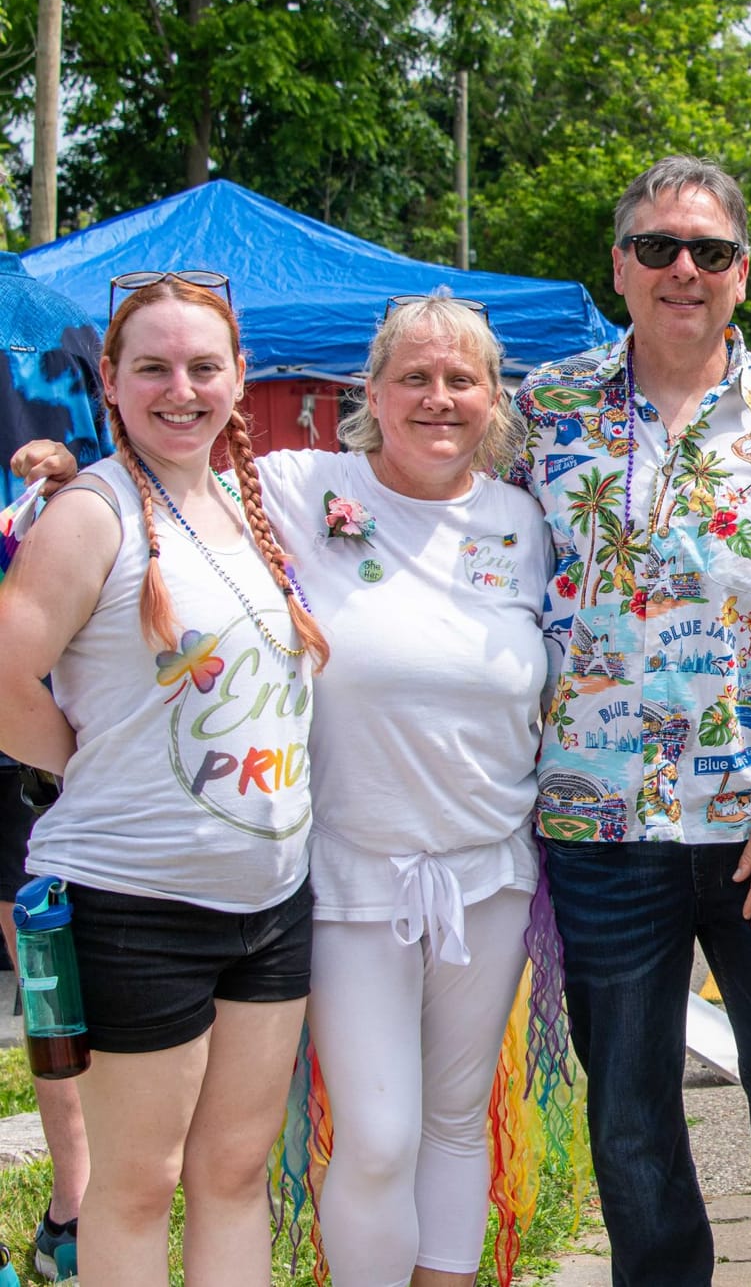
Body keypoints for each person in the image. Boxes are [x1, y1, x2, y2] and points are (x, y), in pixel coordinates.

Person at [16, 294, 559, 1287]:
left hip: (429, 878)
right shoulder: (294, 487)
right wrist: (73, 471)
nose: (437, 398)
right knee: (351, 1138)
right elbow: (142, 510)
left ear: (493, 397)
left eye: (461, 378)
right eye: (413, 376)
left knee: (348, 1141)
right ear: (372, 392)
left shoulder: (521, 520)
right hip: (305, 881)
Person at [509, 155, 751, 1285]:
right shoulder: (544, 410)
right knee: (627, 1116)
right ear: (618, 265)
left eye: (709, 251)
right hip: (595, 825)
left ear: (742, 274)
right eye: (659, 247)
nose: (684, 268)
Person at [0, 272, 327, 1287]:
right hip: (134, 906)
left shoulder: (247, 507)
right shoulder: (92, 514)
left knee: (234, 1174)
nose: (179, 388)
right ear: (110, 379)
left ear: (238, 377)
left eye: (202, 365)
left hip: (269, 904)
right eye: (152, 366)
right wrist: (82, 759)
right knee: (136, 1186)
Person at [0, 248, 103, 1282]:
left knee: (48, 966)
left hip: (28, 689)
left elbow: (112, 484)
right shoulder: (53, 309)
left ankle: (75, 1208)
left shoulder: (49, 319)